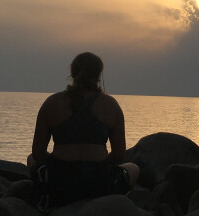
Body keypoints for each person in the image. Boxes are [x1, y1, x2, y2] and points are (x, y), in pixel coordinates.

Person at [27, 52, 139, 208]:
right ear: (98, 74)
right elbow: (119, 154)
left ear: (73, 73)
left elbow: (38, 153)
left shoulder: (52, 103)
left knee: (30, 159)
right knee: (134, 168)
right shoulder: (110, 105)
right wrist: (101, 163)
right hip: (99, 183)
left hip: (60, 182)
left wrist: (56, 161)